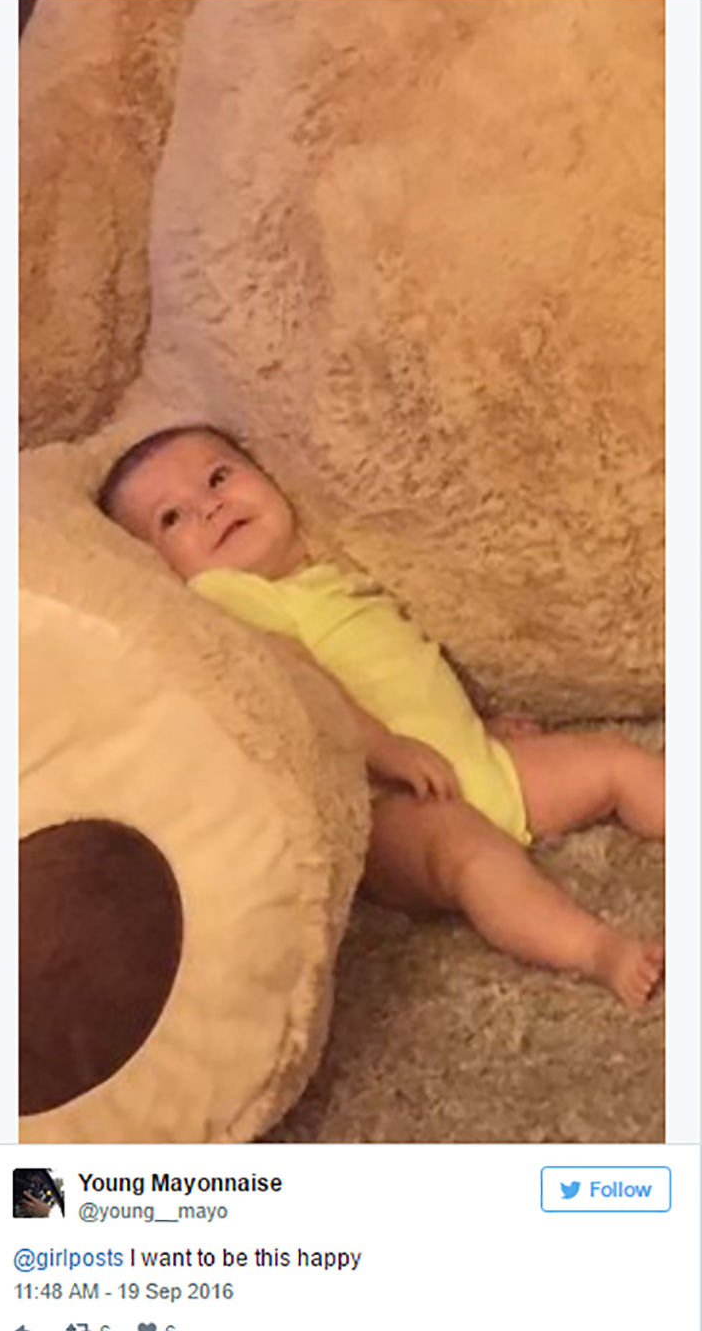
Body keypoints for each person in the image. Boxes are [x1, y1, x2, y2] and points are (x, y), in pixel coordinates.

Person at [98, 425, 665, 1007]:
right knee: (475, 859)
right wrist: (386, 750)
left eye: (219, 477)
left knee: (615, 761)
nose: (210, 506)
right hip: (390, 805)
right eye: (172, 517)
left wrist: (472, 729)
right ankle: (596, 950)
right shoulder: (229, 597)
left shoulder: (324, 579)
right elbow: (307, 692)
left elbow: (404, 677)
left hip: (469, 762)